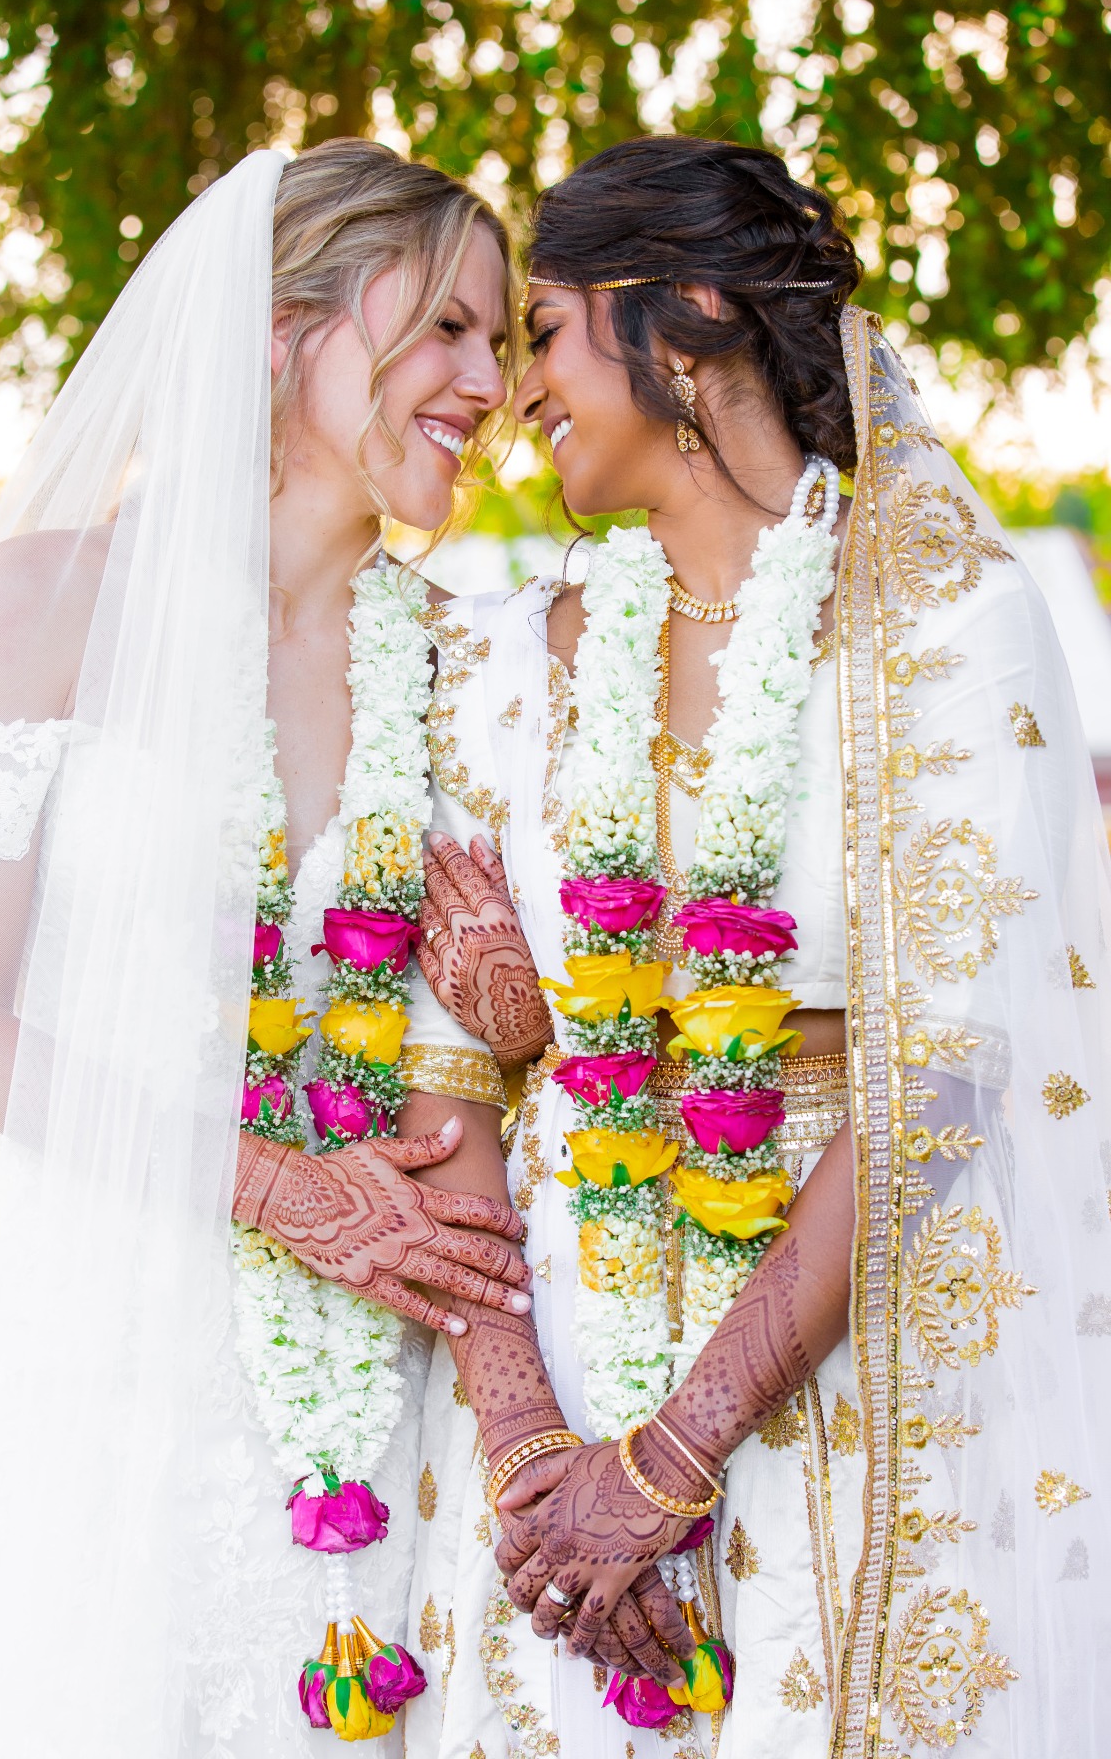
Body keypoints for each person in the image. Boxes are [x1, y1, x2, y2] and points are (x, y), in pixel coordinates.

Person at [403, 136, 1111, 1759]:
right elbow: (452, 1073)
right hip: (562, 1360)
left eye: (549, 329)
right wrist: (537, 1462)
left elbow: (941, 1081)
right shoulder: (506, 667)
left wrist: (671, 1460)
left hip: (846, 1359)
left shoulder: (942, 632)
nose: (520, 389)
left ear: (690, 317)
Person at [0, 139, 542, 1758]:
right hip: (105, 1340)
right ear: (285, 328)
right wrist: (275, 1189)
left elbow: (495, 1039)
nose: (494, 382)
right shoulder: (52, 597)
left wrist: (508, 1016)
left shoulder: (463, 660)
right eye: (452, 331)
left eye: (508, 339)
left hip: (367, 1372)